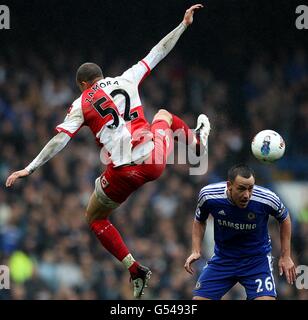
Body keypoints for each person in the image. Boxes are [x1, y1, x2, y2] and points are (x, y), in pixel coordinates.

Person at [6, 4, 211, 298]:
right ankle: (194, 139)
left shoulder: (81, 103)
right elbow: (158, 51)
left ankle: (134, 268)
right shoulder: (128, 78)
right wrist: (183, 24)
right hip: (154, 162)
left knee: (94, 218)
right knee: (164, 115)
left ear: (82, 85)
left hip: (122, 172)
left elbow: (59, 140)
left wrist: (31, 168)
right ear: (103, 76)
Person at [184, 164, 297, 300]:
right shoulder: (209, 195)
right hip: (224, 259)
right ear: (229, 185)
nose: (246, 195)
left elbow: (284, 218)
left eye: (250, 189)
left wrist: (286, 256)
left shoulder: (267, 198)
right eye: (241, 189)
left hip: (256, 261)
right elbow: (199, 220)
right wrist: (196, 250)